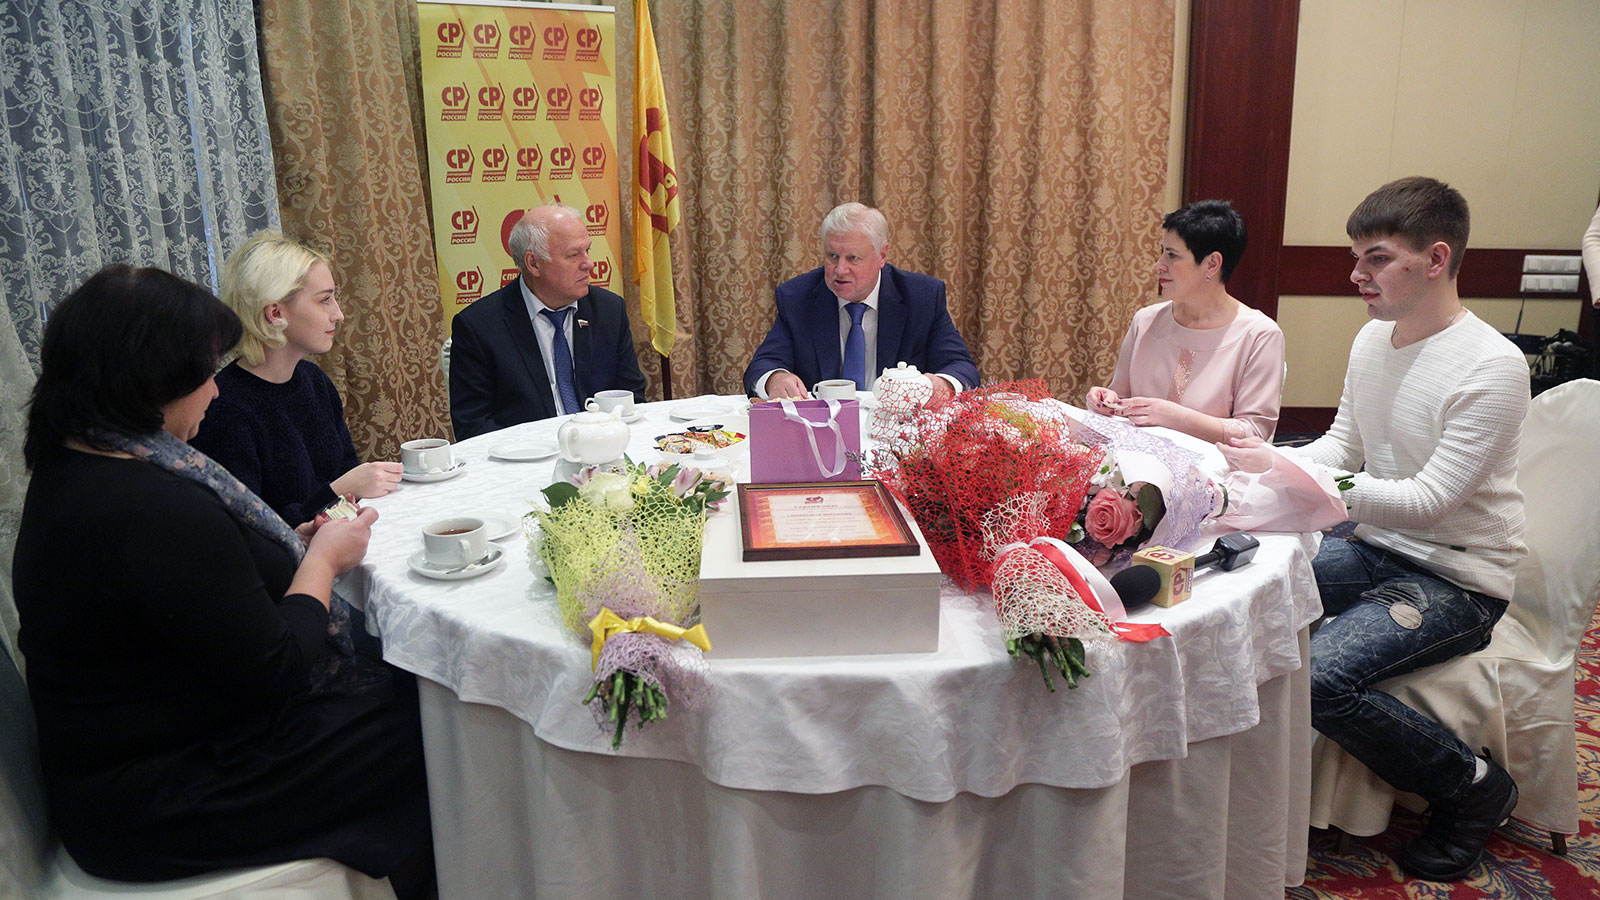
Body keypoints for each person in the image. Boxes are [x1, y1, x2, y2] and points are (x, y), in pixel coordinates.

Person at [12, 266, 434, 895]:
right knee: (429, 724)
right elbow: (277, 668)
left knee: (409, 687)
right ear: (151, 386)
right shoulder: (148, 506)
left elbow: (205, 596)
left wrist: (295, 547)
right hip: (164, 798)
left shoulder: (76, 465)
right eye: (204, 374)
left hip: (143, 757)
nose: (214, 390)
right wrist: (321, 564)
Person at [1263, 177, 1528, 881]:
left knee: (1320, 678)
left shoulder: (1493, 364)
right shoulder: (1372, 339)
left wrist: (1311, 485)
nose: (1357, 275)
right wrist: (1264, 462)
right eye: (1356, 258)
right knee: (1255, 587)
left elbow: (1430, 501)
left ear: (1436, 258)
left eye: (1376, 258)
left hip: (1459, 578)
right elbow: (1341, 446)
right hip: (1378, 547)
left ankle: (1472, 787)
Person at [189, 232, 402, 526]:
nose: (338, 314)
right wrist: (338, 491)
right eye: (325, 300)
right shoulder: (225, 410)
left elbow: (347, 480)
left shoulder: (314, 381)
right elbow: (253, 532)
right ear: (275, 313)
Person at [1086, 199, 1285, 442]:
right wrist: (1107, 401)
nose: (1158, 265)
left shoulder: (1259, 335)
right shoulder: (1145, 321)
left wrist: (1174, 417)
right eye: (1162, 252)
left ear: (1212, 263)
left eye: (1172, 255)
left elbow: (1254, 431)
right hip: (1134, 457)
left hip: (1215, 464)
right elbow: (1121, 399)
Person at [742, 202, 979, 401]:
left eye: (853, 258)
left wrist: (939, 385)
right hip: (822, 429)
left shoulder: (922, 297)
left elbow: (961, 367)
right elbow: (763, 365)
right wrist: (775, 379)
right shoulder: (798, 297)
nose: (840, 270)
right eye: (832, 256)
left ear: (882, 255)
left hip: (896, 429)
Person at [449, 203, 648, 439]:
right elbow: (473, 426)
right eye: (574, 255)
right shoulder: (479, 326)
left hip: (602, 445)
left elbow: (631, 396)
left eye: (587, 250)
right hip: (526, 453)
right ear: (533, 263)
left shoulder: (608, 310)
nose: (589, 263)